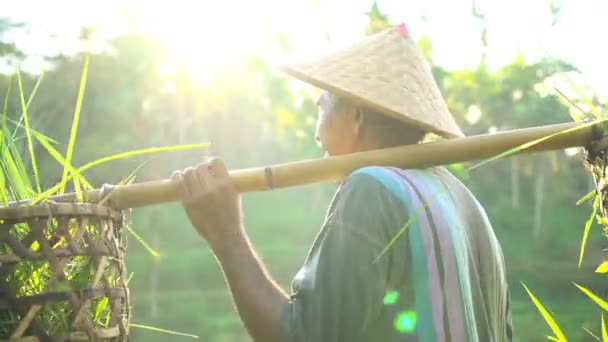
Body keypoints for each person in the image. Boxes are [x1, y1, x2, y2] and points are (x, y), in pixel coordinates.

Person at [170, 23, 513, 342]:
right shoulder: (464, 200)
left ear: (356, 116)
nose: (316, 134)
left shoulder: (373, 188)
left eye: (321, 109)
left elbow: (304, 337)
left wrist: (226, 235)